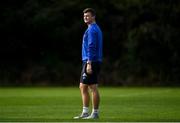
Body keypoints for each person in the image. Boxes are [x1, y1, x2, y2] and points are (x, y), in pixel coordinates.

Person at [74, 8, 103, 119]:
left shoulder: (92, 30)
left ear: (93, 17)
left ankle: (94, 113)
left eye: (88, 16)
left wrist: (89, 63)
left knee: (92, 87)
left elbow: (92, 46)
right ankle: (86, 112)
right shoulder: (95, 28)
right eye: (84, 16)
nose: (85, 17)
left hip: (91, 61)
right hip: (90, 60)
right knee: (83, 87)